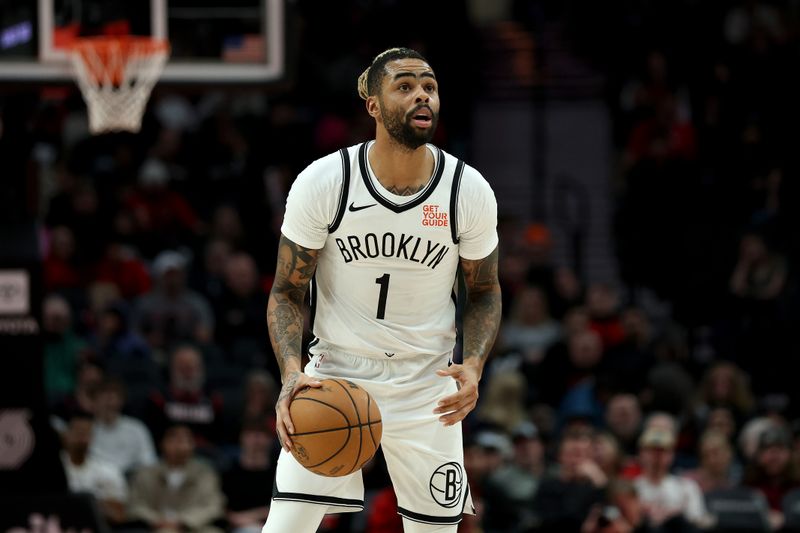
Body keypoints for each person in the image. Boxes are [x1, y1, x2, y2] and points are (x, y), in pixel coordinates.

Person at [264, 47, 501, 533]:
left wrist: (474, 365)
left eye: (430, 86)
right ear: (373, 105)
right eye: (406, 85)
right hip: (338, 375)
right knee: (285, 527)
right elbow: (287, 290)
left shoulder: (467, 190)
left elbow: (485, 291)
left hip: (427, 388)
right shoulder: (325, 181)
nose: (422, 96)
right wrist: (291, 372)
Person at [128, 424, 225, 533]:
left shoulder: (205, 473)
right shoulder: (146, 473)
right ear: (163, 443)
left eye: (187, 441)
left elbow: (214, 505)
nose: (181, 446)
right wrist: (156, 520)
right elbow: (136, 505)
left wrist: (183, 521)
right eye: (175, 440)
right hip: (156, 526)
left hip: (194, 526)